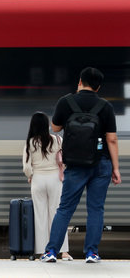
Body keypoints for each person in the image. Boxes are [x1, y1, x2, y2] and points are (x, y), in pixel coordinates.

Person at [42, 67, 121, 263]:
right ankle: (91, 253)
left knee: (65, 208)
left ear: (80, 82)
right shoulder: (105, 107)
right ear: (98, 87)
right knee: (96, 208)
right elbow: (111, 139)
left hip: (75, 164)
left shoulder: (66, 101)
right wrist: (116, 168)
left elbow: (55, 127)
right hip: (101, 164)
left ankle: (51, 252)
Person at [23, 112, 72, 261]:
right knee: (58, 215)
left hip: (37, 179)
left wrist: (30, 176)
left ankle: (43, 251)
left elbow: (26, 167)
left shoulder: (30, 143)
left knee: (40, 216)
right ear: (46, 125)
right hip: (55, 179)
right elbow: (66, 160)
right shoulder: (57, 139)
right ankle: (63, 251)